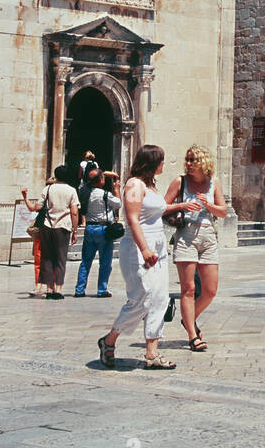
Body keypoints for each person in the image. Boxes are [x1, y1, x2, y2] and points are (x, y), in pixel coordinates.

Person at [97, 145, 200, 370]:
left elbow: (156, 210)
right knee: (141, 299)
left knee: (160, 299)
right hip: (137, 248)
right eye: (161, 160)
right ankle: (109, 340)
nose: (164, 163)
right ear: (152, 162)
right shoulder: (134, 184)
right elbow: (133, 218)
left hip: (158, 248)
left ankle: (152, 353)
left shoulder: (151, 186)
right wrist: (144, 249)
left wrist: (181, 205)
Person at [165, 145, 228, 351]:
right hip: (186, 235)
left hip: (208, 235)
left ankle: (188, 320)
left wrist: (208, 205)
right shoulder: (180, 181)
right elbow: (162, 207)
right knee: (188, 289)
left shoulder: (214, 182)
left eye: (193, 160)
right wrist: (182, 206)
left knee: (210, 290)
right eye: (188, 159)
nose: (189, 163)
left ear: (203, 162)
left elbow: (223, 212)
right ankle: (193, 336)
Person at [22, 164, 80, 299]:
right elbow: (74, 212)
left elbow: (36, 208)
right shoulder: (71, 191)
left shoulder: (47, 189)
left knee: (47, 258)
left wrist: (25, 198)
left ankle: (49, 289)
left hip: (47, 226)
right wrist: (75, 230)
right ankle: (58, 290)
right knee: (61, 258)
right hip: (63, 227)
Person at [74, 167, 122, 298]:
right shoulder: (105, 194)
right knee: (105, 262)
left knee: (85, 261)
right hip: (103, 229)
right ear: (100, 180)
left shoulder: (85, 192)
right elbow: (118, 204)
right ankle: (102, 289)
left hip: (89, 228)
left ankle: (80, 289)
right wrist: (116, 190)